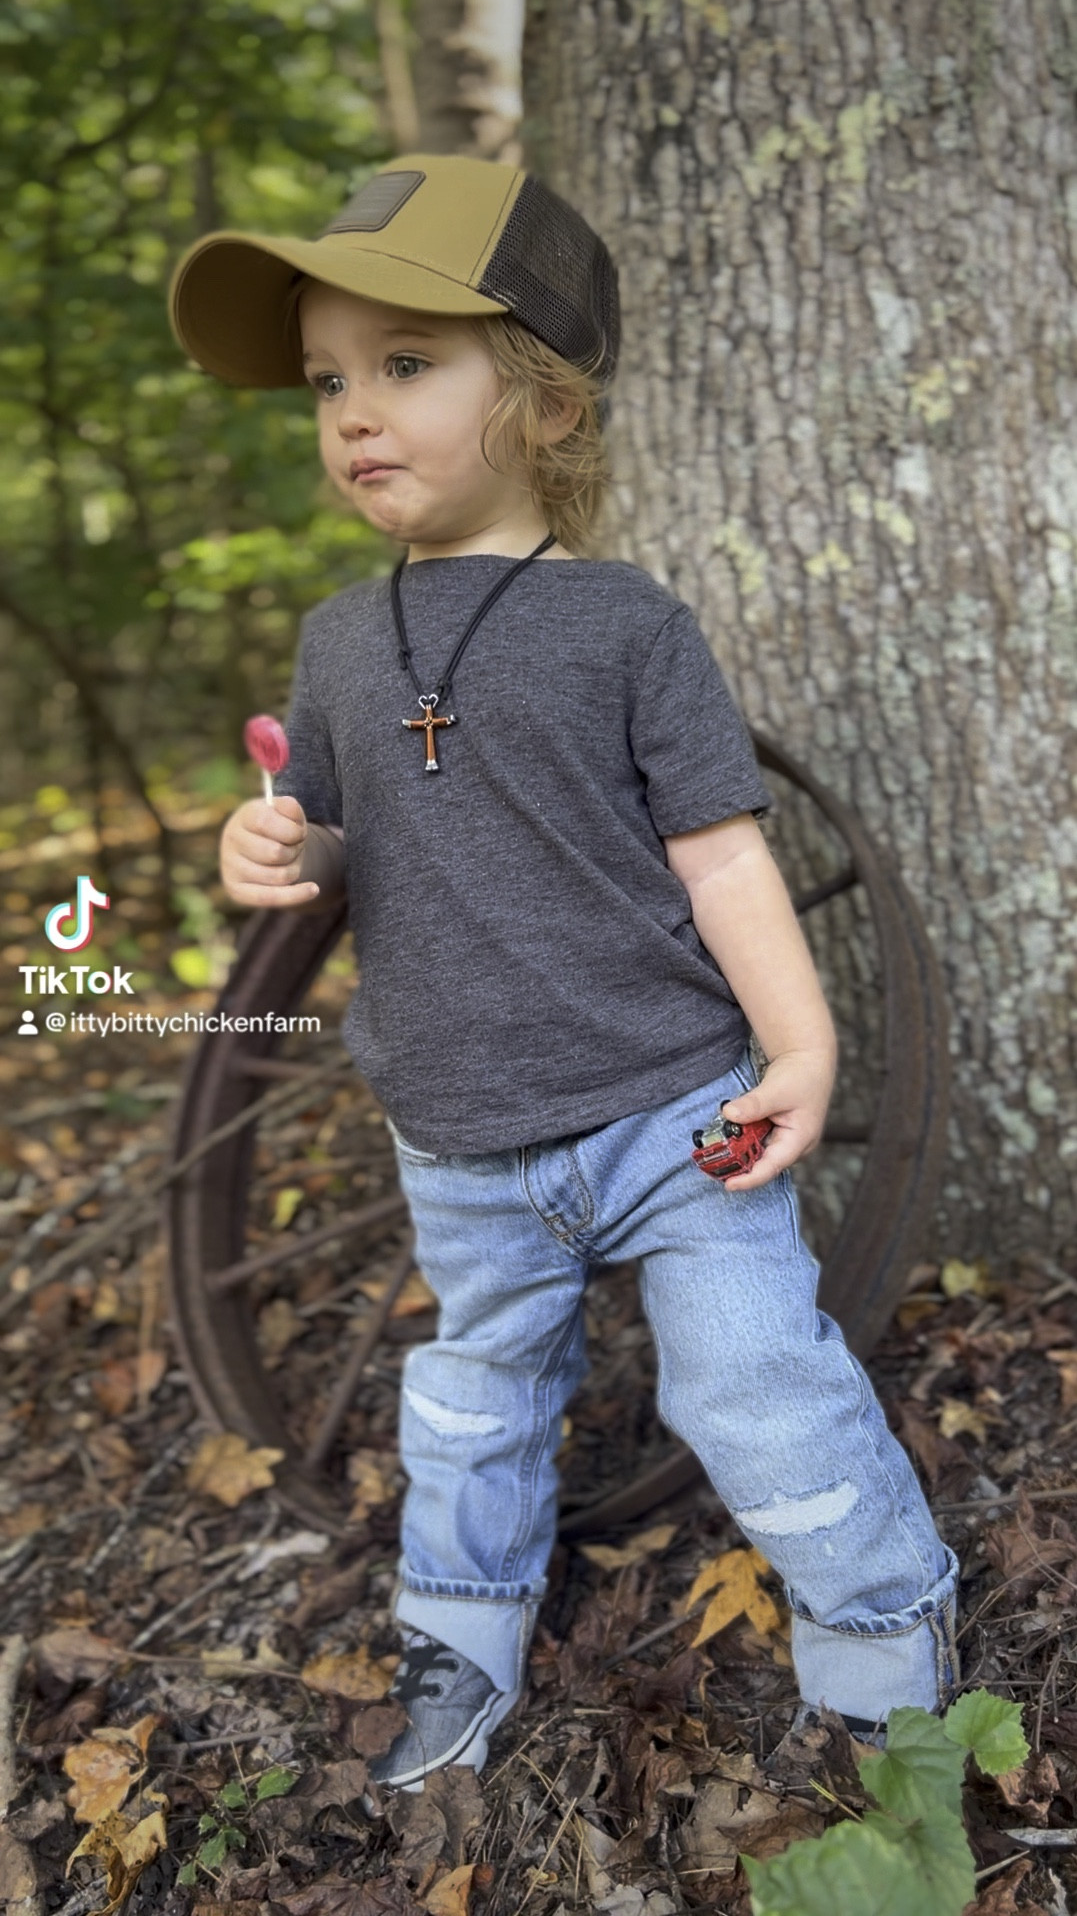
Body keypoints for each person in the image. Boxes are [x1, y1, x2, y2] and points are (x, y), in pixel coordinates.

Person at [169, 151, 960, 1793]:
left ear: (538, 400)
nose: (350, 414)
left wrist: (797, 1048)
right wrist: (273, 854)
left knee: (750, 1377)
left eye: (402, 366)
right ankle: (458, 1647)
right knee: (469, 1398)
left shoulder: (625, 627)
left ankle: (889, 1653)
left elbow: (721, 853)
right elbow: (329, 840)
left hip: (673, 1114)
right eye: (328, 380)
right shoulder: (334, 638)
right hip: (454, 1134)